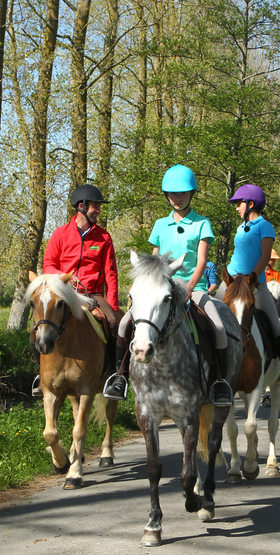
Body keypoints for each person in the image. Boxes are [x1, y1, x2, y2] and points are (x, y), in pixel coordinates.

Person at [104, 165, 233, 405]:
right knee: (123, 323)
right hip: (161, 288)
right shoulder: (160, 225)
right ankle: (118, 377)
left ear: (191, 193)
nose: (177, 198)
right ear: (166, 196)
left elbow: (202, 260)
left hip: (195, 286)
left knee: (218, 326)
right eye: (172, 194)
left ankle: (219, 382)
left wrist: (190, 287)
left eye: (182, 193)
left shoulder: (202, 223)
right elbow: (153, 262)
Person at [31, 183, 122, 396]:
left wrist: (114, 305)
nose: (98, 210)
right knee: (34, 328)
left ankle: (115, 376)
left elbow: (111, 274)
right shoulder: (60, 234)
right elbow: (48, 264)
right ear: (81, 206)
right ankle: (39, 374)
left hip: (94, 294)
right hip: (64, 292)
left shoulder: (104, 238)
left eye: (99, 207)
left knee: (115, 323)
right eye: (95, 206)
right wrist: (63, 279)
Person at [215, 184, 280, 382]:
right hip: (231, 281)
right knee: (212, 318)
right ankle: (211, 364)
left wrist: (252, 277)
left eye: (239, 204)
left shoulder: (265, 226)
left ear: (251, 204)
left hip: (255, 284)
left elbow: (264, 256)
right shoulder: (240, 227)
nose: (236, 207)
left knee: (275, 324)